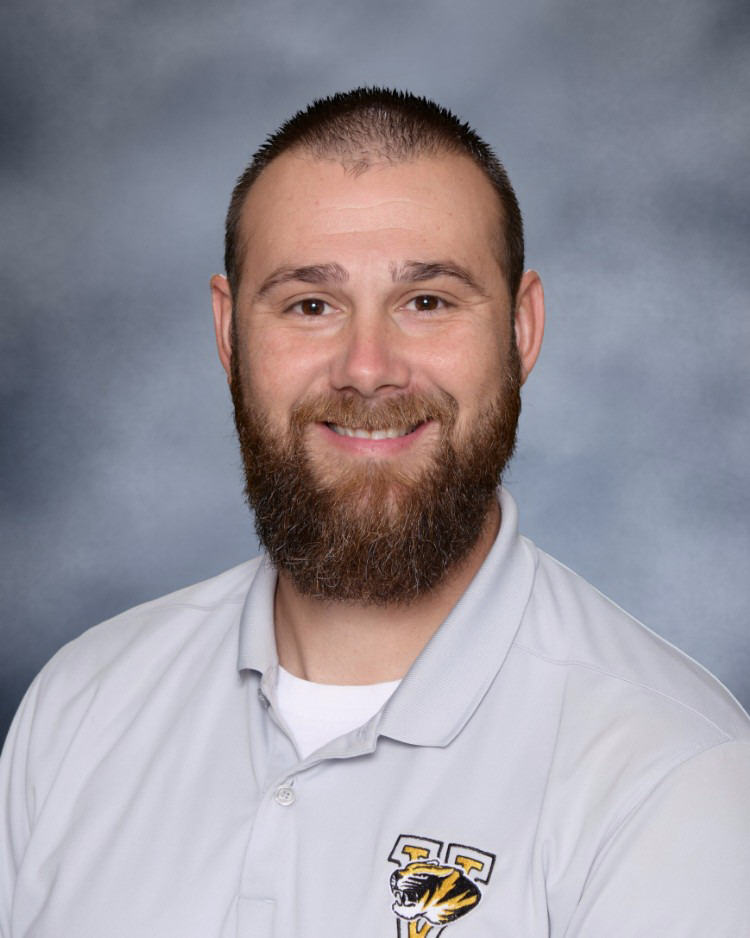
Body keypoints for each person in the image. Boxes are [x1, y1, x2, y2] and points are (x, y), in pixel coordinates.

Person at [1, 88, 748, 938]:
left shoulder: (672, 771)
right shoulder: (80, 705)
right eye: (310, 305)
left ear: (523, 329)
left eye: (427, 301)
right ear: (227, 333)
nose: (366, 369)